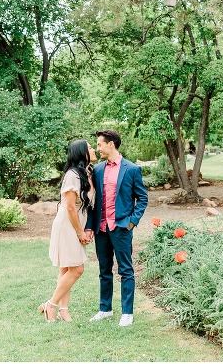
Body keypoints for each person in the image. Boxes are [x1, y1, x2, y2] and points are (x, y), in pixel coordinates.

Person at [84, 129, 148, 327]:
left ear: (111, 144)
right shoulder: (98, 170)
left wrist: (131, 221)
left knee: (126, 270)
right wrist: (90, 226)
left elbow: (142, 198)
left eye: (100, 144)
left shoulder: (131, 169)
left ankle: (127, 312)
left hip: (121, 228)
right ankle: (105, 309)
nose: (97, 148)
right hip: (101, 228)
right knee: (104, 270)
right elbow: (93, 201)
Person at [37, 139, 96, 322]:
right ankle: (51, 305)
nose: (94, 149)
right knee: (77, 269)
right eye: (90, 147)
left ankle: (63, 309)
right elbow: (70, 207)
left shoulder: (89, 172)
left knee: (66, 269)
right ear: (81, 153)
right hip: (68, 225)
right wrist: (80, 232)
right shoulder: (72, 175)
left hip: (79, 224)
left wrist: (88, 229)